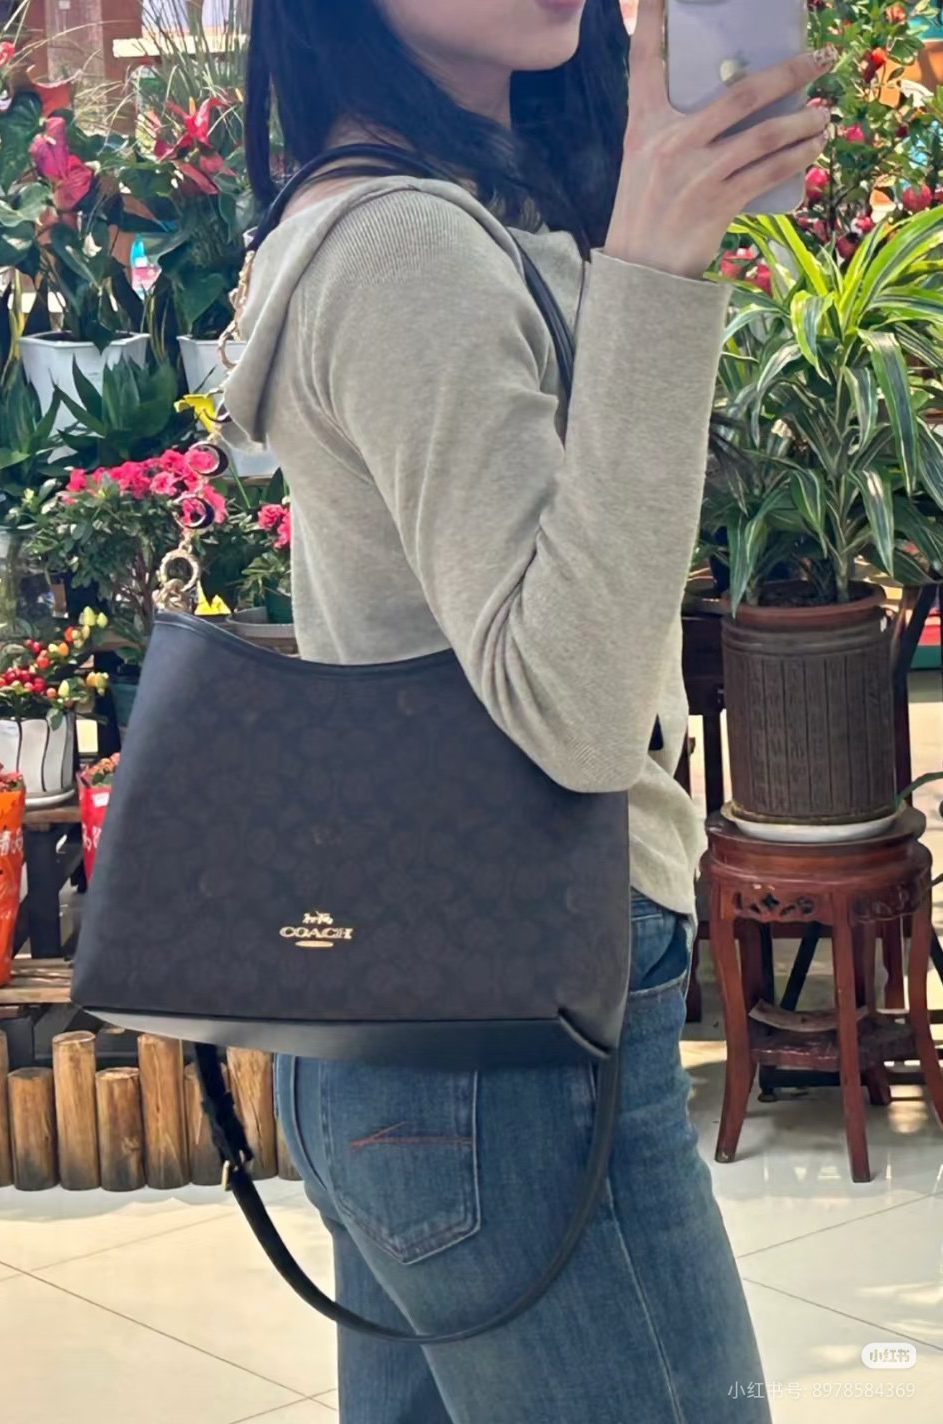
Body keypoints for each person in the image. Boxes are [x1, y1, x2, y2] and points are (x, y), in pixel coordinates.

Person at [223, 2, 830, 1420]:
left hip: (433, 1016)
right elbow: (571, 710)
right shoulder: (407, 249)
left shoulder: (402, 208)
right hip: (516, 1030)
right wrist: (654, 273)